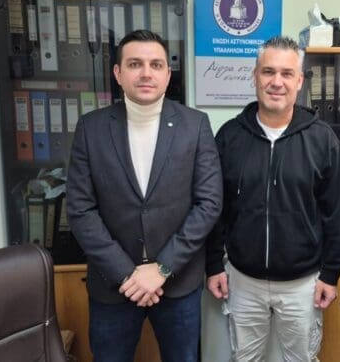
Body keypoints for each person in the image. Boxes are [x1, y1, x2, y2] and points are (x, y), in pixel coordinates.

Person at [66, 29, 223, 362]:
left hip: (178, 283)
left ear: (168, 74)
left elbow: (208, 203)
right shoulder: (91, 128)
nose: (146, 73)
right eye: (135, 64)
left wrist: (161, 269)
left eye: (156, 64)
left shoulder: (195, 125)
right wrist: (128, 274)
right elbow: (80, 210)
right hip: (113, 285)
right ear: (118, 73)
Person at [205, 36, 340, 361]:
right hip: (243, 281)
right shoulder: (230, 136)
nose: (276, 82)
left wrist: (331, 274)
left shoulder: (322, 139)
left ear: (299, 81)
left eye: (287, 73)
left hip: (303, 284)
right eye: (268, 71)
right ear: (255, 76)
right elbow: (215, 209)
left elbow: (337, 215)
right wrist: (213, 264)